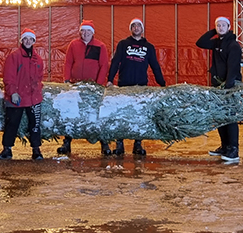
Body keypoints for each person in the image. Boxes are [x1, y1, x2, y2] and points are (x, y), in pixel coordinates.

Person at [107, 18, 167, 156]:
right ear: (131, 29)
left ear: (142, 28)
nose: (136, 27)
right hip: (124, 85)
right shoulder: (123, 44)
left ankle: (138, 144)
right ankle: (120, 144)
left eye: (138, 25)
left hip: (141, 86)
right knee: (121, 114)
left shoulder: (149, 47)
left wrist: (162, 83)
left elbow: (155, 66)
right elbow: (115, 62)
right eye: (133, 25)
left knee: (140, 115)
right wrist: (110, 80)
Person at [195, 15, 243, 163]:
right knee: (219, 117)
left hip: (229, 86)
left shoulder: (233, 45)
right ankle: (225, 146)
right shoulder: (216, 42)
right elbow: (200, 43)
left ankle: (233, 149)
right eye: (218, 25)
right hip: (218, 85)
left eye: (223, 25)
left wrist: (228, 87)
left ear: (229, 27)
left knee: (230, 117)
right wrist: (213, 32)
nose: (221, 28)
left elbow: (233, 68)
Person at [59, 19, 110, 155]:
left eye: (88, 30)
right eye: (83, 30)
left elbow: (104, 66)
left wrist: (98, 84)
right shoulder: (73, 45)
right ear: (80, 32)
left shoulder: (100, 46)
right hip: (76, 84)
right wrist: (67, 80)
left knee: (97, 114)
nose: (85, 33)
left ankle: (104, 143)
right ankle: (67, 142)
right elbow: (68, 62)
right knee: (71, 112)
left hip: (94, 86)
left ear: (92, 32)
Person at [0, 28, 45, 161]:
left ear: (34, 41)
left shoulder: (38, 60)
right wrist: (12, 92)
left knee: (35, 124)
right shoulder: (14, 57)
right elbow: (9, 76)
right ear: (22, 40)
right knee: (12, 123)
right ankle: (7, 149)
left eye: (31, 39)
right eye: (25, 39)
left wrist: (37, 92)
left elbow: (39, 78)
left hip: (33, 98)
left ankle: (36, 150)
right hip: (17, 97)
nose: (28, 41)